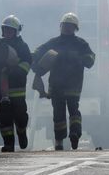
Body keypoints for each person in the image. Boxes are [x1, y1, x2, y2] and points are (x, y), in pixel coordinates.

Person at [32, 13, 95, 150]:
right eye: (65, 25)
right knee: (58, 114)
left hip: (73, 84)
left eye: (70, 26)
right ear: (61, 26)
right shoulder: (53, 42)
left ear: (75, 28)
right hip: (57, 85)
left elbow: (90, 58)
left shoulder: (81, 44)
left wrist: (83, 59)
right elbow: (40, 50)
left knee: (73, 110)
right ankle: (59, 141)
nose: (67, 28)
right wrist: (34, 57)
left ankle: (74, 134)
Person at [0, 15, 32, 152]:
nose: (7, 32)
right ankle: (9, 143)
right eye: (5, 30)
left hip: (16, 87)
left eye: (10, 30)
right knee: (4, 118)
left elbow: (27, 63)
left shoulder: (22, 46)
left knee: (20, 115)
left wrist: (16, 71)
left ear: (16, 31)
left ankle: (22, 133)